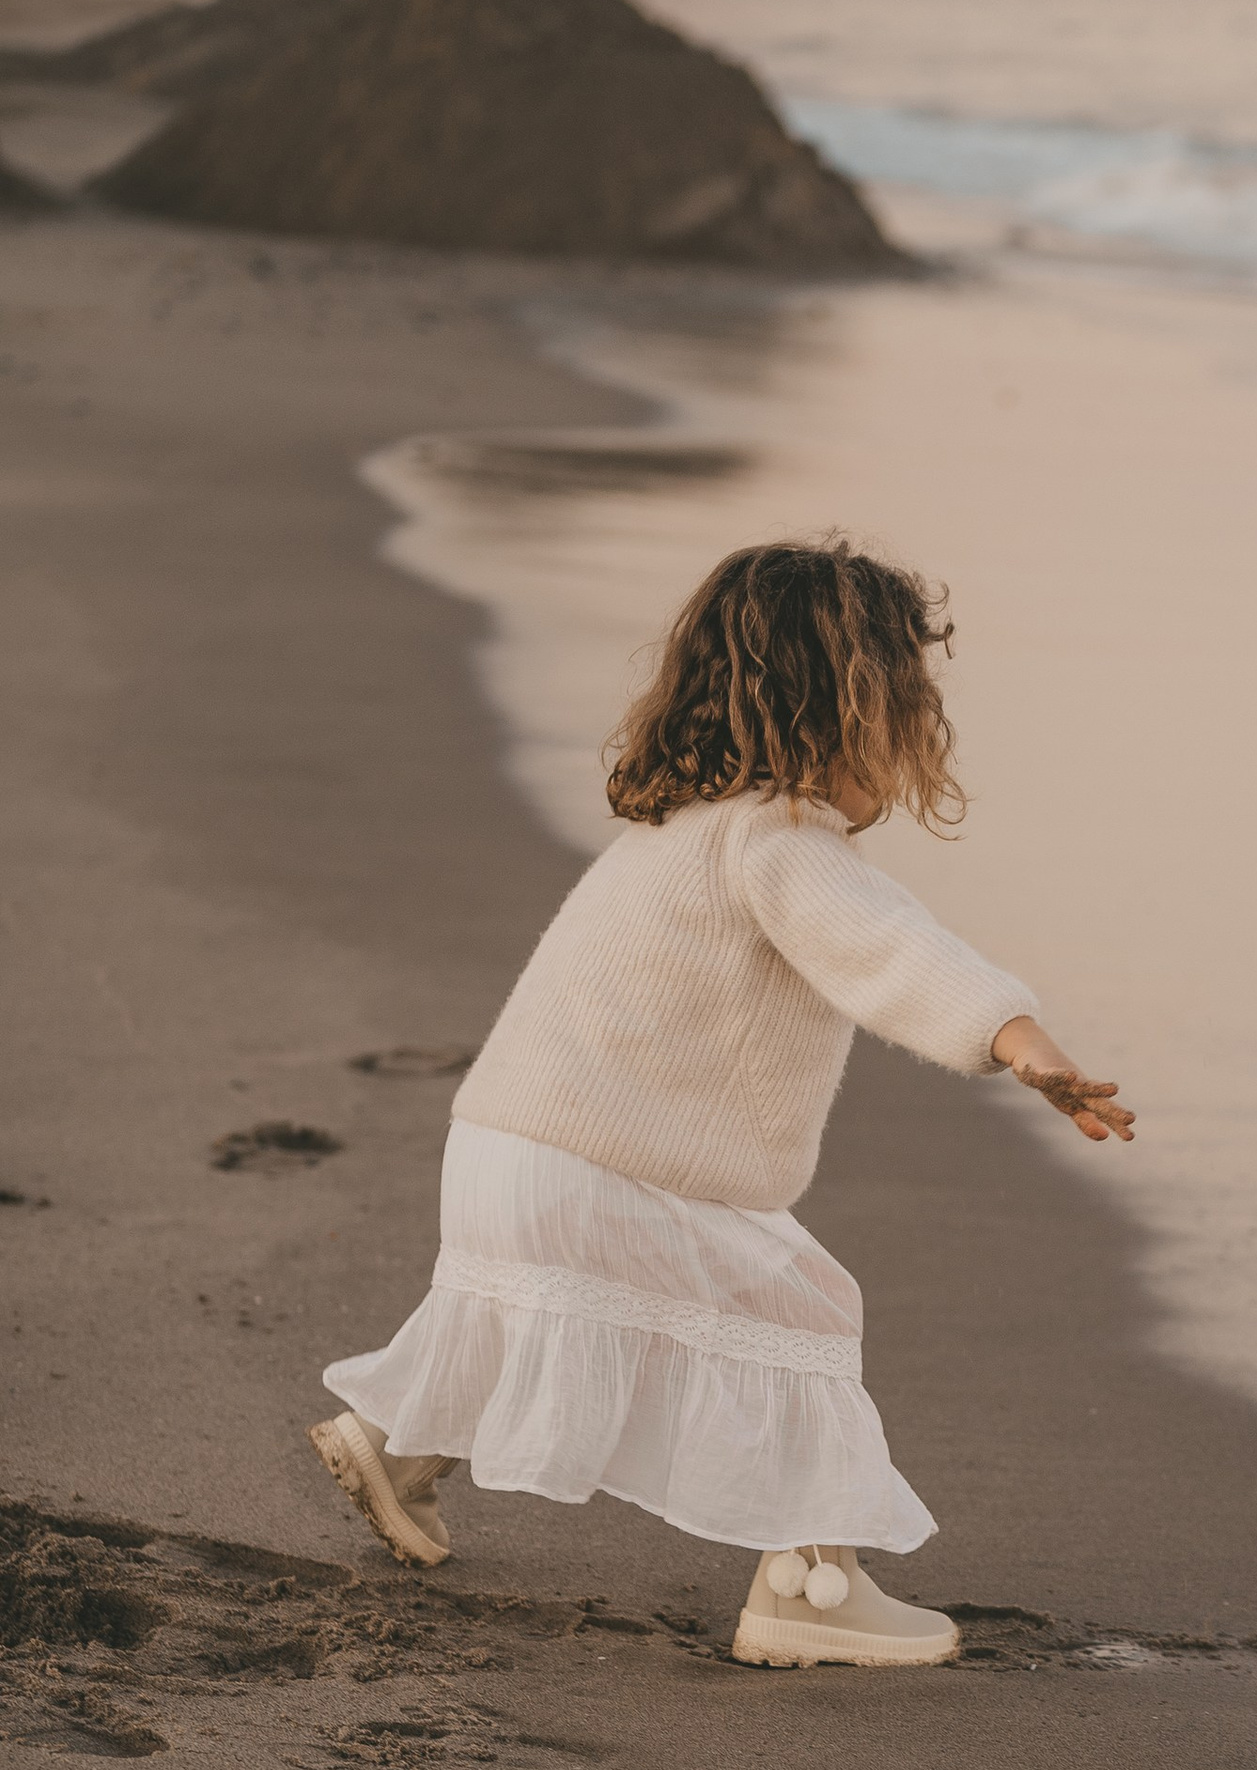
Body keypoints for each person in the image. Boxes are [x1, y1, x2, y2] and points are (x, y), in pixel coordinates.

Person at [310, 536, 1131, 1668]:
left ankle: (398, 1442)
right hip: (591, 1166)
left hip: (506, 1153)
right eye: (904, 711)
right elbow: (895, 951)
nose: (910, 742)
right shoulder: (779, 840)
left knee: (535, 1304)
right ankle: (808, 1592)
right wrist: (1023, 1042)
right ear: (845, 715)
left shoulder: (673, 829)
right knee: (805, 1307)